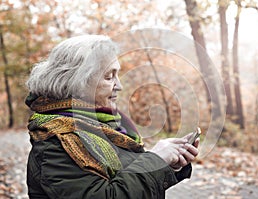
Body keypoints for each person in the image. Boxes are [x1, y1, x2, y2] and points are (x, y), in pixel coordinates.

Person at [25, 35, 199, 199]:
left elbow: (127, 179)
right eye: (109, 77)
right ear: (77, 82)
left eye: (117, 75)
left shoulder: (106, 124)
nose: (119, 85)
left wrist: (167, 165)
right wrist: (155, 160)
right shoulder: (56, 142)